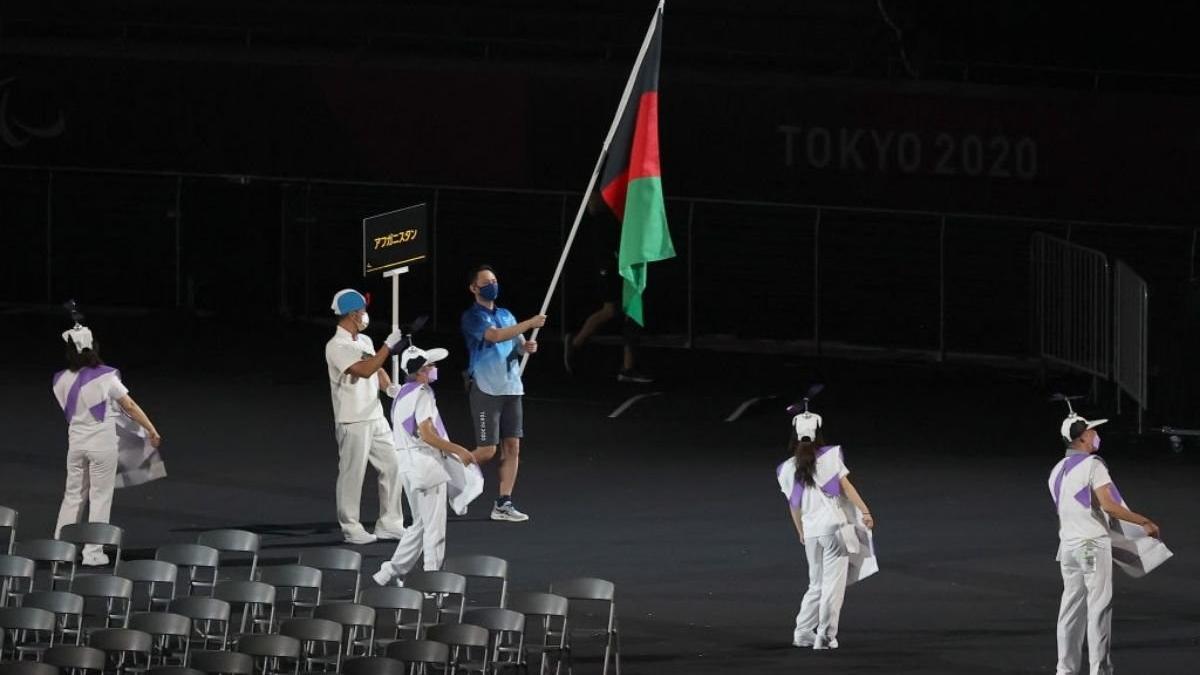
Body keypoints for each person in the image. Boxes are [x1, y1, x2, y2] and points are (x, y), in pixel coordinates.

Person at [1049, 409, 1162, 675]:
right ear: (1084, 437)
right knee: (1098, 608)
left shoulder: (1056, 471)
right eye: (1093, 431)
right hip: (1090, 545)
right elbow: (1110, 506)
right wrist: (1144, 521)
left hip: (1068, 548)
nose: (1097, 435)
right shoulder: (1093, 465)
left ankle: (1065, 670)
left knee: (1070, 609)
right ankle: (1099, 671)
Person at [52, 321, 161, 566]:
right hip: (102, 444)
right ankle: (93, 553)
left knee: (73, 495)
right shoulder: (106, 378)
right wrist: (151, 429)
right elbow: (129, 406)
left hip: (76, 443)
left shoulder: (60, 380)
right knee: (100, 496)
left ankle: (60, 548)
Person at [373, 343, 477, 586]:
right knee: (434, 529)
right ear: (420, 371)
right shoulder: (423, 394)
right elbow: (428, 434)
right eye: (430, 365)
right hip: (426, 465)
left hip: (408, 467)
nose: (434, 368)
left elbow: (387, 385)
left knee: (419, 524)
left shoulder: (401, 393)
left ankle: (390, 572)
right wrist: (458, 450)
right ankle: (432, 582)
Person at [776, 406, 875, 650]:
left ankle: (802, 632)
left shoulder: (786, 468)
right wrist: (865, 511)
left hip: (811, 532)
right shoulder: (829, 457)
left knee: (816, 584)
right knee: (833, 585)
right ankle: (825, 636)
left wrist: (800, 530)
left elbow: (794, 505)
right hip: (834, 529)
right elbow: (847, 488)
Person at [461, 265, 545, 522]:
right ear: (474, 288)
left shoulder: (507, 314)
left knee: (512, 447)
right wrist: (530, 323)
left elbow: (517, 346)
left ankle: (503, 503)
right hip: (487, 389)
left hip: (511, 388)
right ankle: (442, 477)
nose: (492, 285)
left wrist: (526, 347)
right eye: (486, 282)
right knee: (487, 450)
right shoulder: (472, 317)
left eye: (494, 280)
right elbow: (495, 336)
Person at [325, 288, 407, 545]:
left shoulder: (365, 341)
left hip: (375, 415)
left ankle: (390, 523)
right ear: (352, 314)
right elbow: (363, 369)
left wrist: (390, 387)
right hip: (352, 419)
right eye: (362, 311)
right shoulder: (336, 346)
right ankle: (351, 528)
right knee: (353, 474)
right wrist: (388, 346)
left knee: (394, 465)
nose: (365, 315)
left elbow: (377, 369)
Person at [563, 193, 652, 383]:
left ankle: (628, 368)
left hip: (626, 259)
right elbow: (594, 208)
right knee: (612, 310)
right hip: (610, 263)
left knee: (631, 310)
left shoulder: (619, 206)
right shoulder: (602, 212)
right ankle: (575, 343)